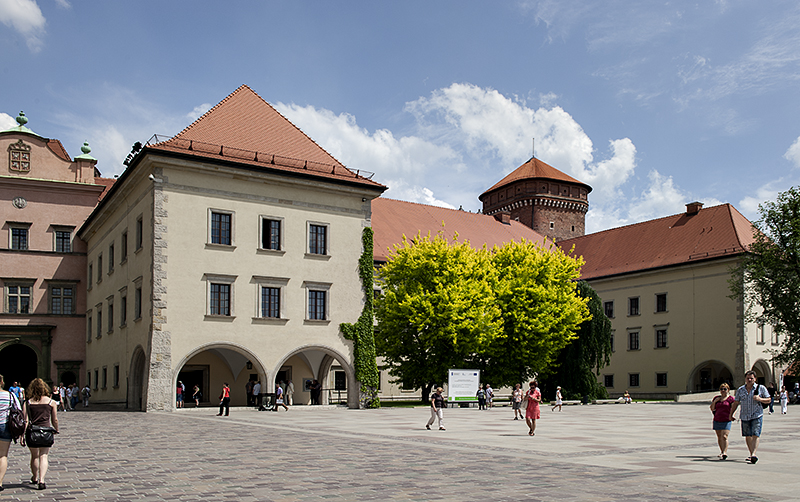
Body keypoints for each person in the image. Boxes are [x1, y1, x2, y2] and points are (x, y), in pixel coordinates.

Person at [23, 378, 59, 490]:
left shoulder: (27, 403)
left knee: (34, 456)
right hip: (46, 432)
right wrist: (56, 429)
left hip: (32, 432)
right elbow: (55, 420)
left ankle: (34, 477)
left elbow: (26, 421)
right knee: (44, 456)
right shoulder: (51, 402)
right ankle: (42, 480)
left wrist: (22, 435)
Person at [729, 370, 770, 464]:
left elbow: (769, 399)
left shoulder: (761, 388)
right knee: (747, 435)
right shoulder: (740, 390)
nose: (749, 380)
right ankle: (751, 453)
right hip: (744, 415)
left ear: (755, 379)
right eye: (748, 378)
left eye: (751, 378)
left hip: (757, 415)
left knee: (755, 434)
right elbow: (736, 402)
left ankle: (753, 454)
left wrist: (760, 399)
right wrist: (731, 414)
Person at [0, 374, 22, 491]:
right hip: (4, 425)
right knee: (2, 455)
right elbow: (18, 410)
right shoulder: (10, 395)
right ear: (2, 382)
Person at [710, 383, 735, 460]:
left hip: (727, 420)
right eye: (721, 389)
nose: (723, 391)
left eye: (725, 389)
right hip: (717, 419)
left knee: (724, 436)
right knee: (719, 437)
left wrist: (732, 415)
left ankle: (725, 452)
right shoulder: (716, 398)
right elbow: (712, 408)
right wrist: (715, 402)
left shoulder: (731, 399)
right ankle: (721, 451)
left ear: (728, 390)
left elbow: (733, 408)